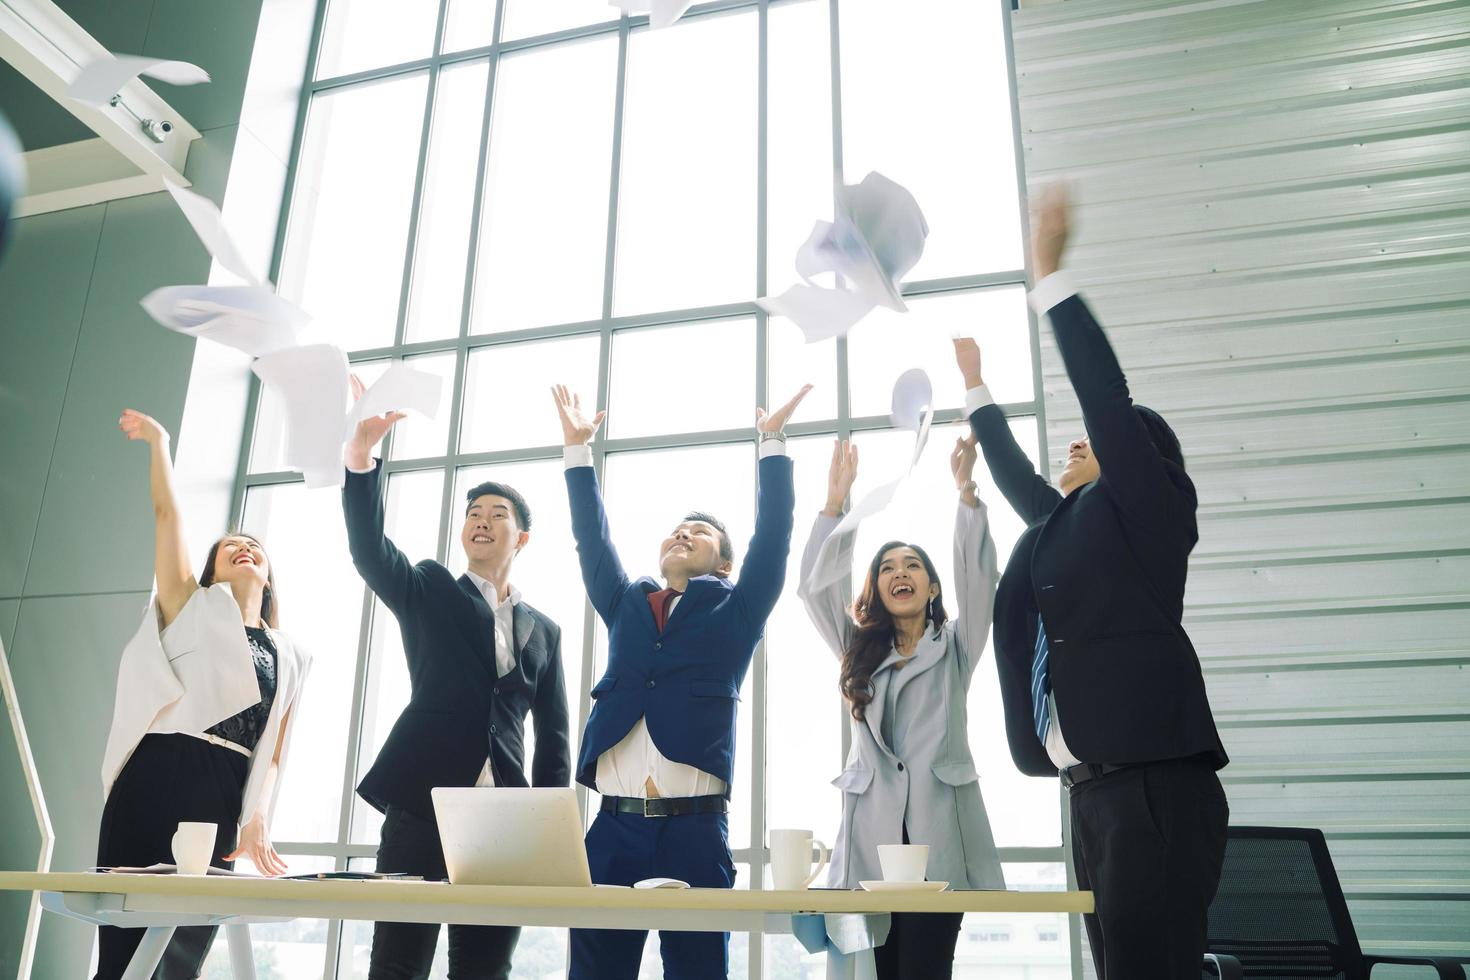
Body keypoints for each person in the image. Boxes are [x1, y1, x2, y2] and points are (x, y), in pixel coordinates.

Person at [967, 184, 1229, 980]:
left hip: (1153, 786)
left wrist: (1048, 277)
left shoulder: (1148, 513)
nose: (1077, 442)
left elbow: (1107, 404)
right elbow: (1021, 487)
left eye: (1095, 444)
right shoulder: (1067, 529)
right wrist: (976, 391)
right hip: (1092, 793)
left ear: (1141, 462)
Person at [552, 382, 810, 980]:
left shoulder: (738, 609)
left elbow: (774, 538)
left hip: (695, 830)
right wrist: (576, 454)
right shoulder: (625, 602)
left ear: (724, 562)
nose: (680, 533)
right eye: (674, 528)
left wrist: (771, 444)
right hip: (611, 827)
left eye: (697, 530)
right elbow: (593, 539)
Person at [343, 377, 570, 980]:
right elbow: (370, 551)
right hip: (422, 805)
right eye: (473, 513)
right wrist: (362, 460)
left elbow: (555, 739)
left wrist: (548, 830)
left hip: (505, 821)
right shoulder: (429, 588)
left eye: (497, 515)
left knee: (485, 970)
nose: (481, 522)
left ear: (521, 537)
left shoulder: (545, 630)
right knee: (398, 965)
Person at [97, 409, 311, 980]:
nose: (245, 549)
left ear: (268, 575)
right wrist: (159, 445)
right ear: (212, 569)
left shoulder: (291, 654)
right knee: (125, 948)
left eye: (255, 547)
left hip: (223, 791)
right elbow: (167, 514)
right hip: (158, 770)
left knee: (181, 953)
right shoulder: (188, 605)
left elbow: (276, 749)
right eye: (230, 546)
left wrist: (257, 819)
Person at [797, 428, 1004, 979]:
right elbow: (816, 590)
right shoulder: (857, 649)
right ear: (877, 589)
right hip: (874, 838)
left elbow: (981, 581)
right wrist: (835, 506)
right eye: (887, 568)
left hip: (940, 837)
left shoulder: (956, 646)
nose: (899, 573)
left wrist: (966, 497)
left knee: (929, 969)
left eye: (912, 565)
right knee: (885, 973)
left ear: (933, 587)